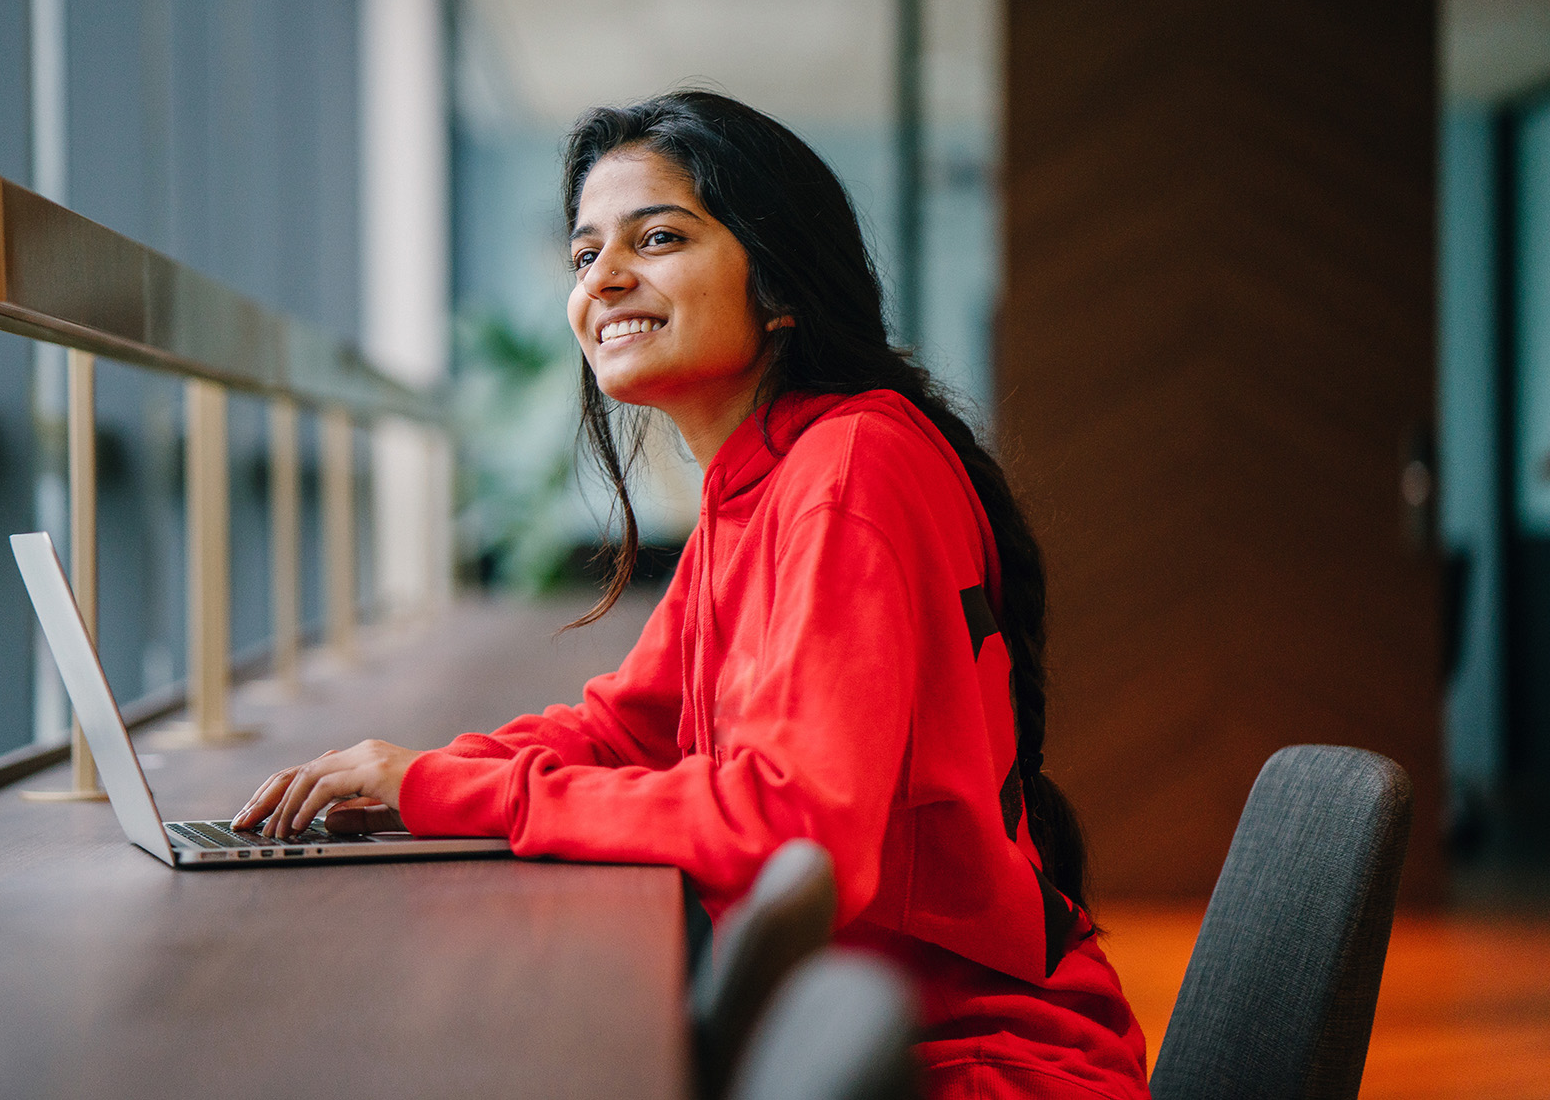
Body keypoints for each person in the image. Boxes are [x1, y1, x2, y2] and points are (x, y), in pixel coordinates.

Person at [234, 91, 1150, 1099]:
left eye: (656, 237)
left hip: (967, 1066)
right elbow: (627, 725)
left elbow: (799, 827)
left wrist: (458, 790)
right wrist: (402, 780)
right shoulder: (761, 480)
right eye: (583, 255)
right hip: (877, 1036)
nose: (603, 278)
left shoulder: (847, 468)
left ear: (779, 281)